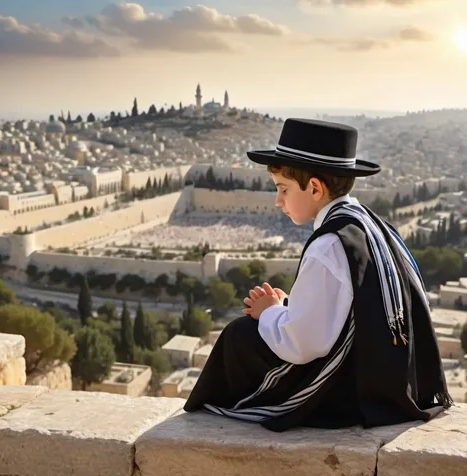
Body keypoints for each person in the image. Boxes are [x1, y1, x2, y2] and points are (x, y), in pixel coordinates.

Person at [184, 118, 452, 432]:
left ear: (314, 187)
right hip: (395, 378)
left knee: (239, 335)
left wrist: (270, 312)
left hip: (350, 394)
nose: (277, 200)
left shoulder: (328, 245)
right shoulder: (366, 222)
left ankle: (212, 416)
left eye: (283, 189)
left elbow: (305, 344)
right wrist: (286, 308)